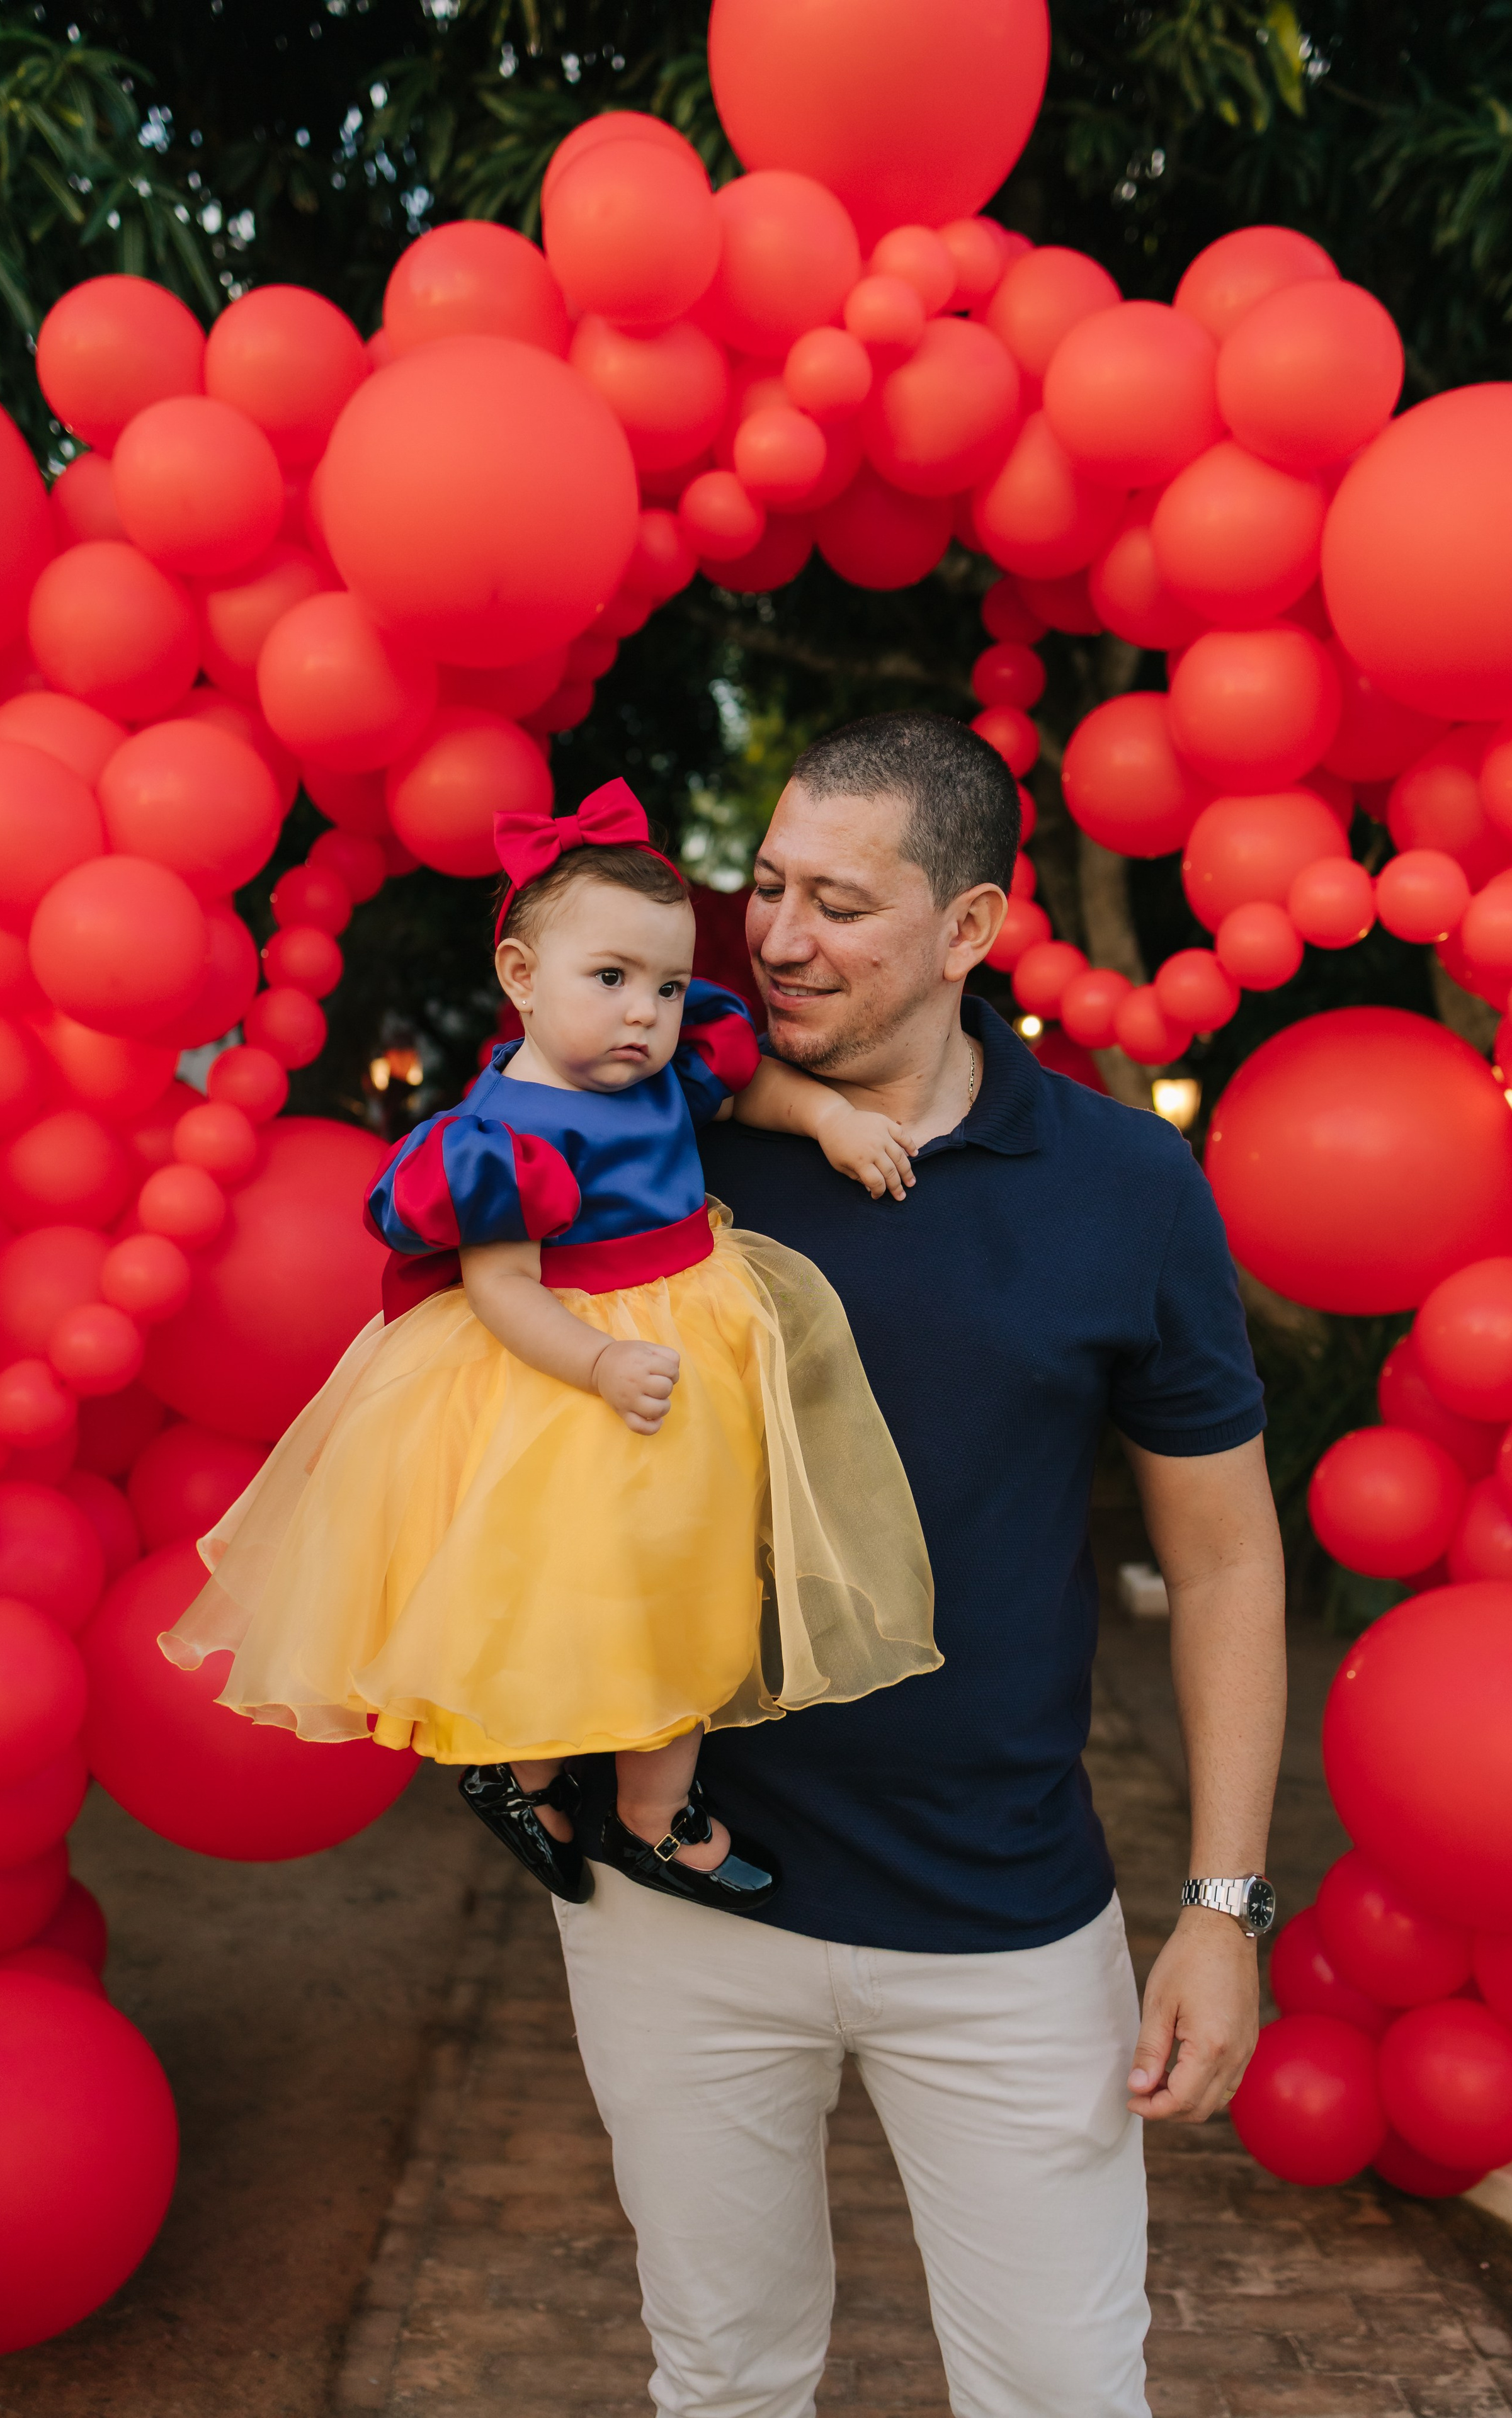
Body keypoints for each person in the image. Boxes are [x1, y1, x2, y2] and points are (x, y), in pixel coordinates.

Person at [555, 715, 1287, 2418]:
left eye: (843, 904)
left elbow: (1230, 1556)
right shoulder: (645, 1138)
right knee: (722, 2373)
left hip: (1004, 1918)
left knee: (1061, 2387)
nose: (780, 939)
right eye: (767, 889)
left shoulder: (1125, 1183)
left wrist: (1224, 1909)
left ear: (968, 928)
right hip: (680, 1902)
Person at [161, 777, 940, 1916]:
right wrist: (598, 1364)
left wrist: (830, 1117)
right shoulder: (504, 1139)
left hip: (694, 1336)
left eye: (668, 987)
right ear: (521, 978)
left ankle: (648, 1816)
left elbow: (745, 1090)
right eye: (612, 981)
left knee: (699, 1582)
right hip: (561, 1371)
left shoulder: (663, 1063)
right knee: (562, 1594)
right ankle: (523, 1775)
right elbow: (503, 1293)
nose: (646, 1014)